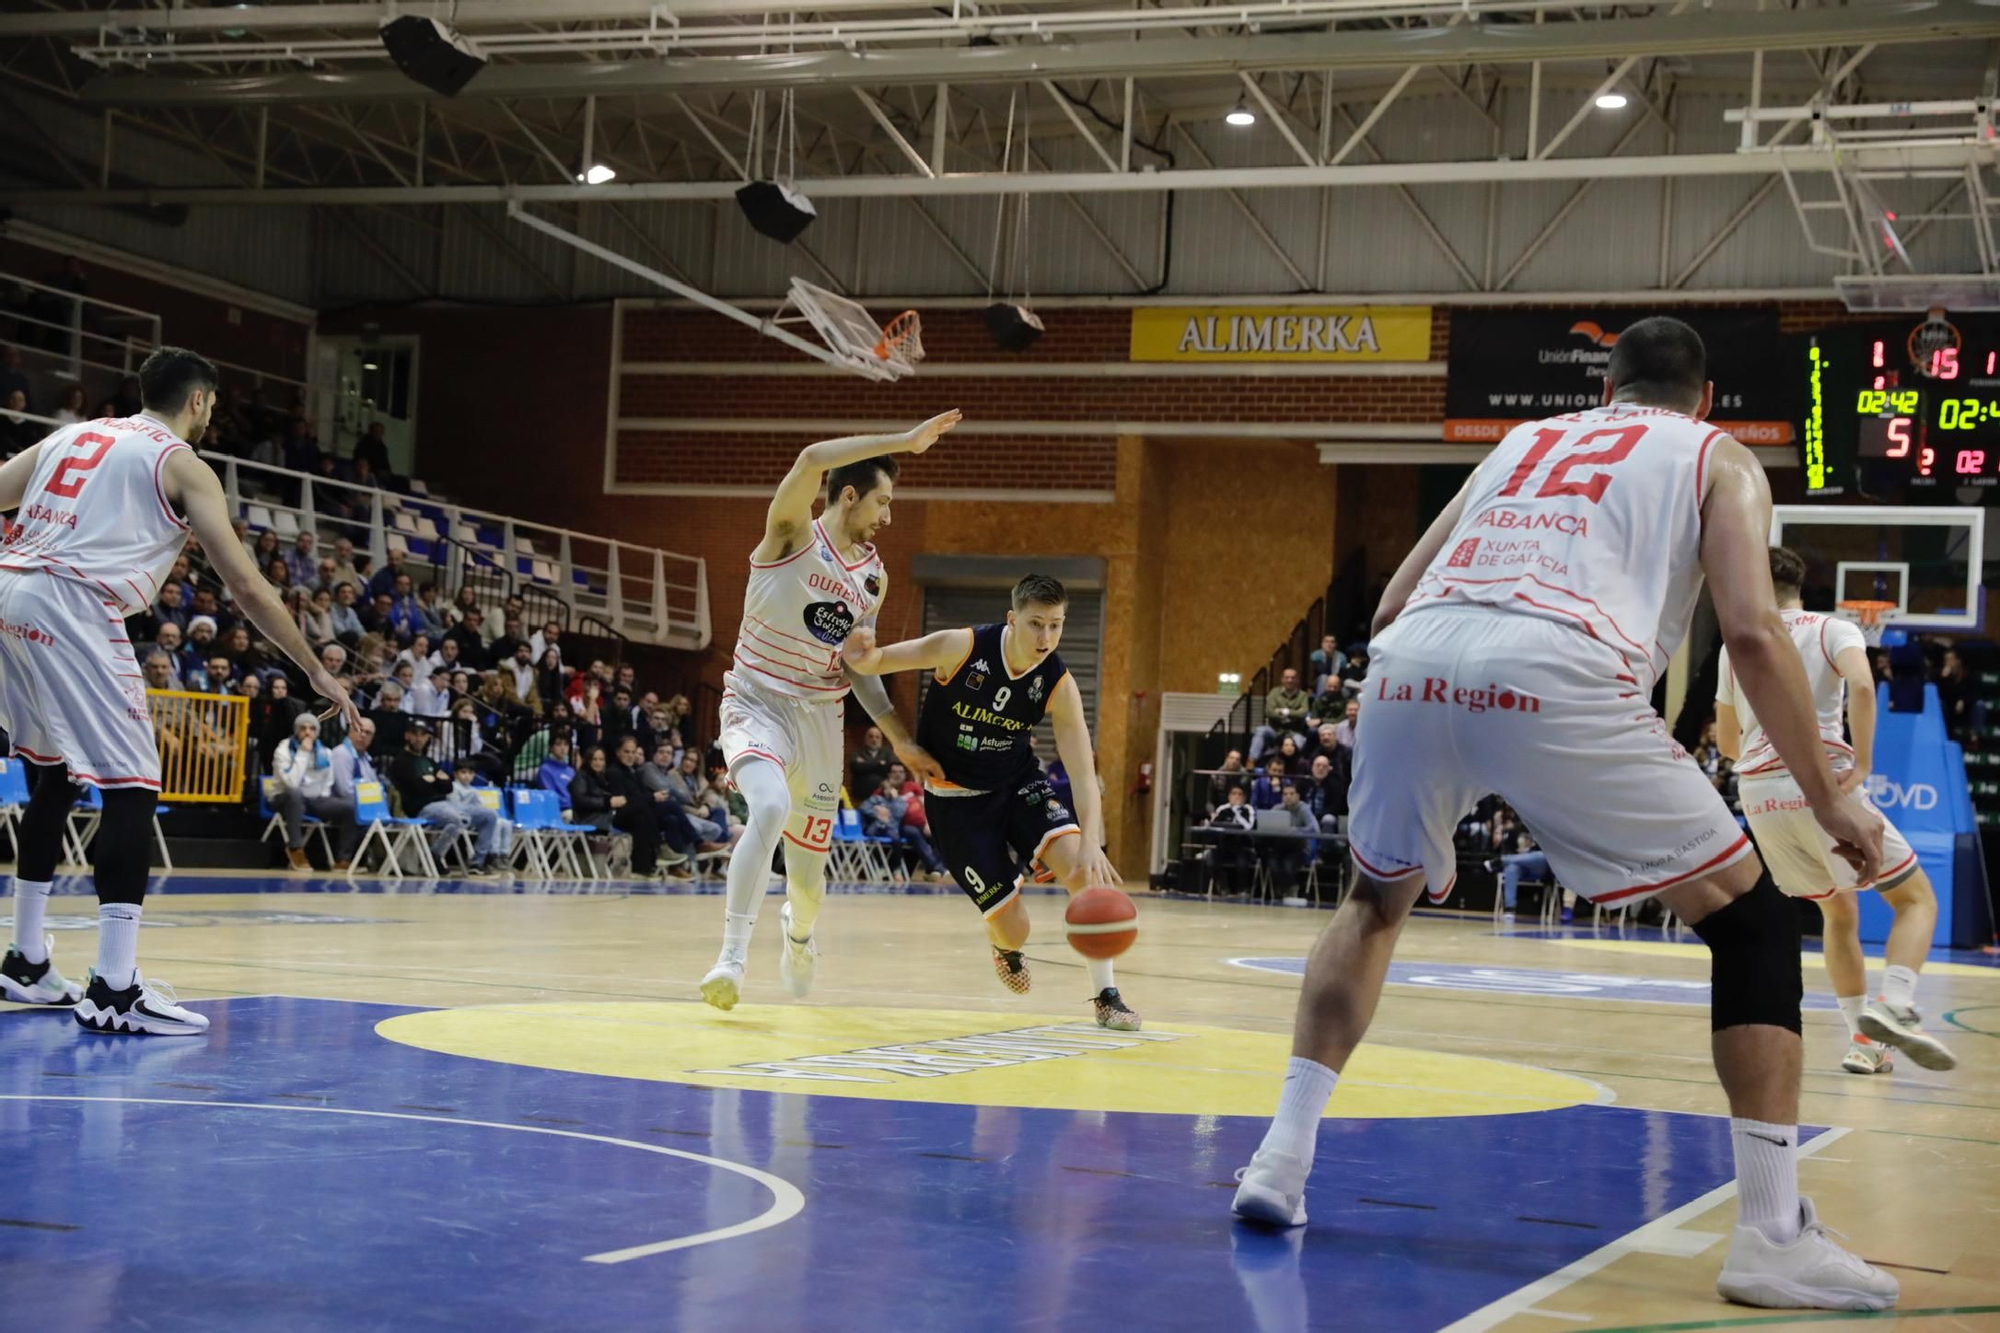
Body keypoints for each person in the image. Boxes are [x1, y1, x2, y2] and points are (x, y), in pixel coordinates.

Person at [1228, 316, 1898, 1313]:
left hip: (1413, 662)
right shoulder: (1719, 458)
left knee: (1372, 903)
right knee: (1751, 920)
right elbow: (1753, 634)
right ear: (1703, 398)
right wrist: (1829, 794)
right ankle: (1767, 1233)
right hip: (1557, 667)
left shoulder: (1519, 441)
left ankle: (1277, 1163)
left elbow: (1383, 612)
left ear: (1605, 388)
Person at [0, 346, 359, 1035]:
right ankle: (113, 987)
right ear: (198, 402)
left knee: (52, 776)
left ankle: (27, 959)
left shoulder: (73, 434)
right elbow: (248, 586)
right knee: (133, 786)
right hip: (74, 602)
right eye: (212, 405)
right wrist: (314, 667)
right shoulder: (181, 462)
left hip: (13, 590)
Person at [699, 410, 960, 1011]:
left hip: (820, 718)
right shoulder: (791, 533)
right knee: (767, 804)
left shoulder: (873, 578)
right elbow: (813, 457)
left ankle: (799, 933)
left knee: (809, 886)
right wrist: (906, 441)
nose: (888, 516)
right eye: (883, 501)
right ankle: (730, 960)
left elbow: (857, 669)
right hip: (757, 698)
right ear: (849, 496)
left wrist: (898, 737)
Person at [843, 572, 1136, 1029]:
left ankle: (1107, 996)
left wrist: (1092, 841)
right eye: (1036, 623)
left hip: (1017, 784)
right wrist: (860, 647)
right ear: (1011, 619)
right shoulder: (959, 647)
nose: (1046, 637)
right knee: (1016, 928)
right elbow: (871, 662)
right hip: (955, 800)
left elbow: (1082, 772)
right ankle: (1003, 946)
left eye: (1056, 625)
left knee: (1087, 873)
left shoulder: (1058, 683)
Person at [1715, 547, 1957, 1077]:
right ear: (1802, 587)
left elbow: (1729, 741)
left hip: (1758, 796)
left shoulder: (1736, 646)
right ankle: (1894, 1005)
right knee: (1917, 900)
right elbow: (1865, 685)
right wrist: (1864, 761)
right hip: (1820, 782)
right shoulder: (1831, 629)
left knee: (1837, 911)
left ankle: (1864, 1044)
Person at [386, 720, 499, 876]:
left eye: (423, 735)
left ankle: (476, 863)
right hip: (421, 808)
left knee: (489, 815)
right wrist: (436, 780)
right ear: (407, 736)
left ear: (427, 738)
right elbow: (417, 788)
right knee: (456, 819)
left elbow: (448, 786)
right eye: (415, 734)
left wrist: (432, 780)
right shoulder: (400, 761)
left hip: (445, 803)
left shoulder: (429, 761)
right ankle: (434, 855)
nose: (419, 739)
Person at [269, 712, 358, 871]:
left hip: (312, 798)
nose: (308, 732)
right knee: (295, 794)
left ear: (317, 732)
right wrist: (302, 752)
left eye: (312, 728)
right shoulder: (283, 749)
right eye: (303, 728)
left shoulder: (325, 752)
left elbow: (328, 781)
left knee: (350, 807)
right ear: (296, 731)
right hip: (283, 798)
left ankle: (343, 859)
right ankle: (295, 849)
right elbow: (291, 782)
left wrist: (322, 798)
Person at [1251, 668, 1311, 763]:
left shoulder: (1302, 695)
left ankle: (1295, 766)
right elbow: (1269, 712)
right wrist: (1294, 713)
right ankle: (1252, 761)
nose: (1289, 680)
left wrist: (1284, 712)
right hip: (1274, 731)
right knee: (1261, 730)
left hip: (1294, 732)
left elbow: (1303, 713)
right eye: (1287, 677)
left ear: (1297, 680)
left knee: (1300, 741)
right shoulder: (1274, 693)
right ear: (1282, 679)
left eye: (1292, 678)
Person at [850, 725, 895, 799]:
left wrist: (865, 764)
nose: (874, 739)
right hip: (861, 797)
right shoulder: (858, 752)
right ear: (866, 738)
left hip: (883, 798)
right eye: (871, 736)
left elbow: (890, 768)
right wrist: (879, 764)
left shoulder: (887, 752)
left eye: (877, 737)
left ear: (881, 739)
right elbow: (856, 768)